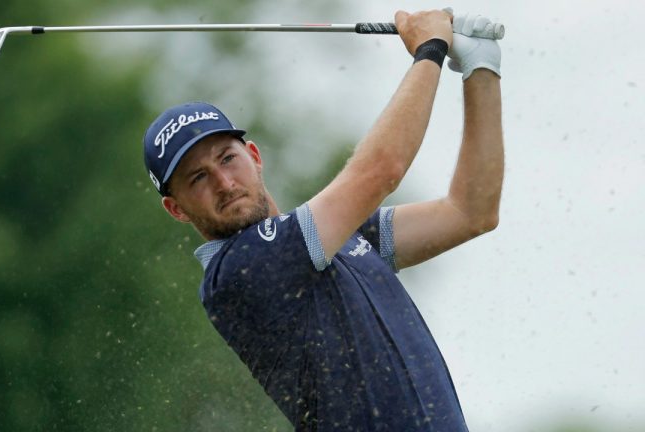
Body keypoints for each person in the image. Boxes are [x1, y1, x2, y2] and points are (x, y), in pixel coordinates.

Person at [142, 9, 503, 431]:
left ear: (254, 157)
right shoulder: (238, 272)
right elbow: (380, 171)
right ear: (177, 209)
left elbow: (471, 212)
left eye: (228, 158)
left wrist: (481, 70)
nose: (224, 182)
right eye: (198, 177)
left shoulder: (334, 239)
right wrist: (430, 51)